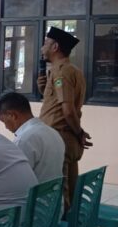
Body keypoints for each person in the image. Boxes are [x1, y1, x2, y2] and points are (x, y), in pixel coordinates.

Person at [38, 26, 91, 209]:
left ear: (55, 47)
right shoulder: (72, 71)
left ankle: (63, 225)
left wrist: (79, 133)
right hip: (66, 137)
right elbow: (58, 104)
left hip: (58, 137)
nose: (42, 48)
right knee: (71, 190)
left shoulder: (62, 72)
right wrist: (43, 89)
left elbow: (67, 110)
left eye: (46, 43)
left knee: (61, 194)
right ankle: (73, 224)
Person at [0, 92, 65, 184]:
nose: (6, 127)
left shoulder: (24, 140)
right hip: (53, 192)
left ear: (12, 115)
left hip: (34, 192)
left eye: (4, 121)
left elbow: (15, 179)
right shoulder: (52, 132)